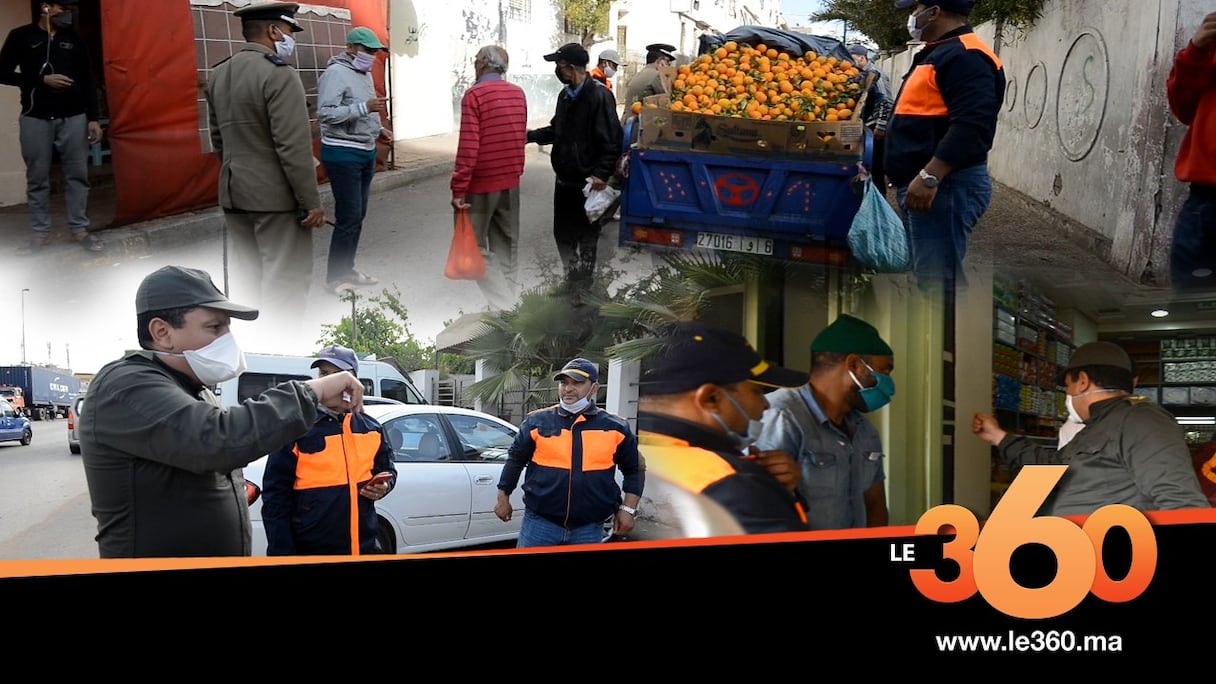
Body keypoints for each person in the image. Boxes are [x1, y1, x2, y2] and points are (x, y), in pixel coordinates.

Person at [79, 265, 366, 558]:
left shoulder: (193, 389)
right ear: (162, 332)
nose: (228, 339)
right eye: (215, 327)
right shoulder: (125, 386)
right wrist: (312, 390)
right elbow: (219, 439)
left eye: (228, 327)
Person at [972, 341, 1212, 516]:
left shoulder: (1141, 419)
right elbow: (1054, 466)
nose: (1067, 394)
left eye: (1068, 385)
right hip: (1072, 558)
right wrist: (999, 437)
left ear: (1083, 381)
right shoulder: (1096, 426)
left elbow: (1182, 505)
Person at [204, 2, 325, 343]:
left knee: (247, 283)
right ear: (273, 31)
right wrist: (311, 201)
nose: (290, 38)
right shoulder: (278, 74)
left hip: (234, 192)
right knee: (285, 283)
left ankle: (251, 344)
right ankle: (281, 348)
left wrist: (238, 174)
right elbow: (293, 147)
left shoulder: (220, 74)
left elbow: (218, 140)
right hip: (276, 199)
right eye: (288, 31)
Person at [634, 321, 811, 536]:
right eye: (757, 391)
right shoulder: (733, 485)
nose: (765, 404)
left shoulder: (617, 451)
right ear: (711, 398)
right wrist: (767, 496)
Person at [886, 0, 1005, 292]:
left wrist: (930, 176)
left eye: (916, 10)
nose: (913, 17)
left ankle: (945, 335)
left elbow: (972, 126)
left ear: (935, 12)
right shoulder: (939, 52)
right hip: (927, 186)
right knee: (928, 276)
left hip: (945, 188)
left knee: (939, 283)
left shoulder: (967, 57)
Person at [756, 314, 896, 530]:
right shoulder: (782, 417)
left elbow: (875, 505)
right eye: (885, 370)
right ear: (855, 365)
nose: (890, 383)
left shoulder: (865, 432)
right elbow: (760, 514)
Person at [261, 344, 397, 556]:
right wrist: (282, 554)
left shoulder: (371, 428)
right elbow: (275, 499)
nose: (330, 381)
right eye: (324, 374)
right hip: (310, 552)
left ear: (353, 381)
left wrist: (385, 486)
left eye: (338, 374)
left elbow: (388, 470)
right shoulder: (296, 427)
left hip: (363, 548)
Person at [494, 357, 644, 547]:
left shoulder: (616, 427)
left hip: (588, 528)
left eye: (577, 383)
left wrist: (628, 509)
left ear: (595, 388)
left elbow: (635, 469)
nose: (568, 388)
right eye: (564, 383)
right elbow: (515, 460)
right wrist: (503, 498)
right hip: (540, 524)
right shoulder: (536, 422)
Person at [0, 0, 105, 254]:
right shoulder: (21, 36)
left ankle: (80, 230)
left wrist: (93, 117)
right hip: (35, 117)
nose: (66, 14)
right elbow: (2, 72)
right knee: (37, 178)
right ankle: (39, 235)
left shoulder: (74, 40)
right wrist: (40, 80)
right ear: (45, 7)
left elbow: (88, 80)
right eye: (62, 8)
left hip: (74, 118)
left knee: (78, 177)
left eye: (68, 9)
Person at [526, 43, 623, 291]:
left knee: (586, 236)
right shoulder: (565, 96)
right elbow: (557, 130)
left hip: (588, 184)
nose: (556, 71)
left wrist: (602, 174)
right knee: (563, 235)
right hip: (565, 181)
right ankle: (570, 280)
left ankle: (584, 286)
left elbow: (613, 140)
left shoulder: (600, 96)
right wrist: (528, 136)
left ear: (570, 68)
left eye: (558, 66)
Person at [451, 45, 528, 312]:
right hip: (510, 179)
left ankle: (504, 305)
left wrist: (459, 188)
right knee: (506, 246)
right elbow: (520, 136)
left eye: (475, 60)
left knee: (471, 246)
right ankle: (505, 305)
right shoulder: (518, 93)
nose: (474, 63)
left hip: (480, 183)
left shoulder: (474, 95)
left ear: (483, 63)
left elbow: (469, 146)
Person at [317, 26, 391, 296]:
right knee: (348, 216)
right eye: (367, 50)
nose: (372, 56)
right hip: (342, 152)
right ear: (351, 48)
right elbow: (325, 114)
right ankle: (335, 278)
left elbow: (366, 108)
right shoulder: (335, 73)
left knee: (357, 215)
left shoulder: (364, 73)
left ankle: (347, 269)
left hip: (365, 150)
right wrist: (363, 109)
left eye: (375, 51)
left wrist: (378, 129)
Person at [1166, 10, 1216, 291]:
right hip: (1205, 202)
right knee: (1190, 312)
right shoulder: (1208, 48)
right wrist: (1196, 51)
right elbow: (1184, 109)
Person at [848, 44, 893, 192]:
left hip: (875, 127)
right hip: (866, 125)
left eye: (853, 59)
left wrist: (881, 126)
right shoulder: (860, 74)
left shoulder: (875, 75)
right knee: (865, 166)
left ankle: (879, 204)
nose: (850, 62)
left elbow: (886, 101)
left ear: (862, 58)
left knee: (876, 168)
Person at [622, 42, 676, 119]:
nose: (669, 66)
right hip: (640, 126)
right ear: (660, 61)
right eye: (667, 62)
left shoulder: (638, 74)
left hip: (627, 123)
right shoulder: (657, 76)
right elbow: (668, 102)